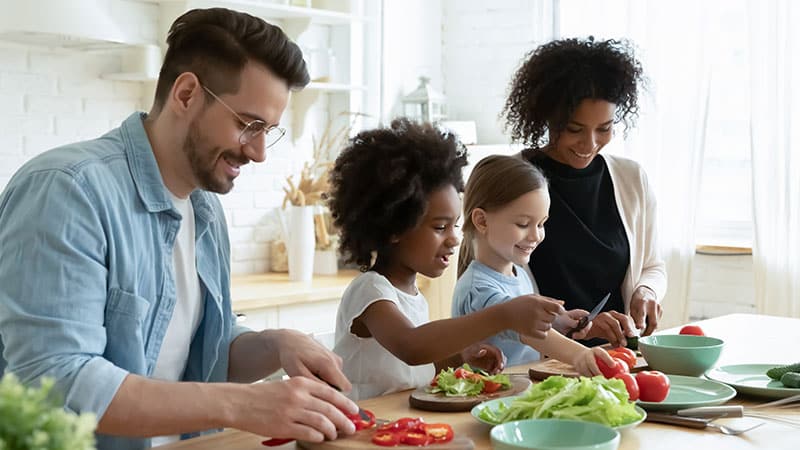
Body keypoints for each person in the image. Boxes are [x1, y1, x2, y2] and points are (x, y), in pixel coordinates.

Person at [0, 8, 359, 449]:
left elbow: (198, 348)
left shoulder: (204, 207)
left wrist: (275, 344)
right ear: (186, 94)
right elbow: (57, 379)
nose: (261, 152)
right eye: (248, 125)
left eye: (269, 131)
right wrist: (241, 405)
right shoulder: (68, 191)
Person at [327, 118, 567, 401]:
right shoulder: (370, 291)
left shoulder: (412, 295)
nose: (454, 239)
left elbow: (411, 368)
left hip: (397, 426)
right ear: (394, 227)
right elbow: (411, 348)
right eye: (440, 227)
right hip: (359, 428)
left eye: (454, 226)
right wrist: (505, 315)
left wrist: (460, 358)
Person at [502, 37, 667, 348]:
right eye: (575, 129)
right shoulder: (510, 180)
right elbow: (489, 294)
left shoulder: (632, 179)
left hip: (617, 355)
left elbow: (652, 265)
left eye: (604, 128)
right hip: (540, 360)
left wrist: (646, 291)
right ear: (547, 117)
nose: (589, 143)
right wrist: (579, 325)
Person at [452, 155, 613, 373]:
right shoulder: (478, 288)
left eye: (541, 224)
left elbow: (520, 330)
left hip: (517, 391)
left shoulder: (518, 273)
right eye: (523, 224)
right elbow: (525, 329)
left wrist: (558, 322)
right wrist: (580, 354)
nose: (536, 235)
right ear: (481, 221)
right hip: (490, 400)